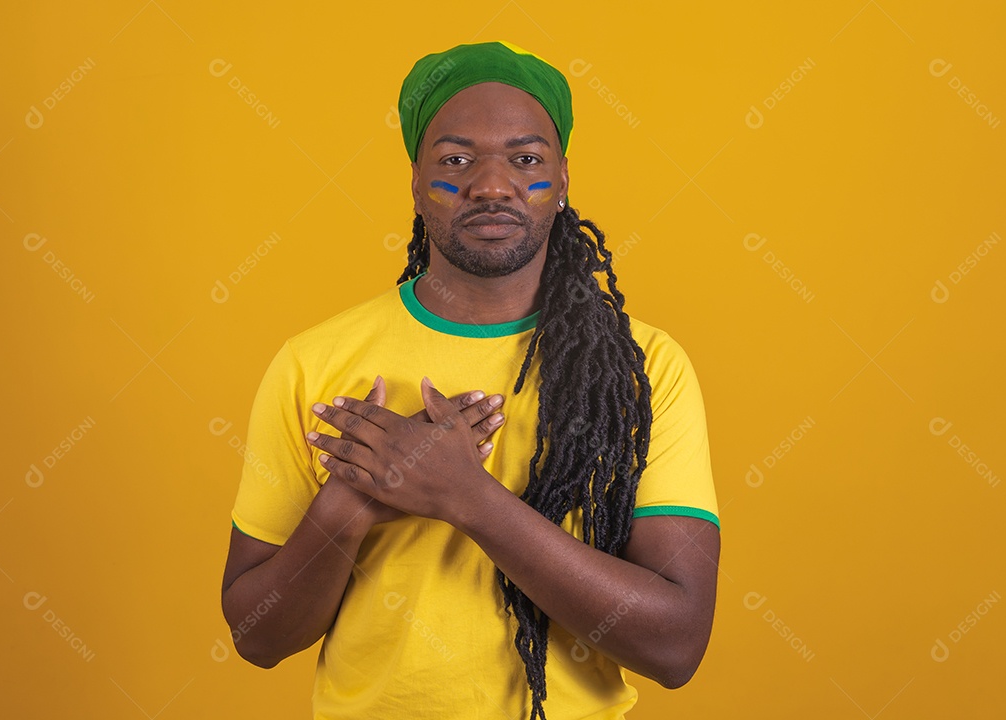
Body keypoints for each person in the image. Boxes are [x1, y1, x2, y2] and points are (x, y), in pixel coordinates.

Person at [221, 40, 720, 720]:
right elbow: (258, 637)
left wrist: (467, 497)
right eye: (456, 160)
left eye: (526, 159)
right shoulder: (313, 362)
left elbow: (676, 644)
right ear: (418, 183)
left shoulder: (643, 368)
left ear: (563, 178)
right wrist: (348, 506)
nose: (491, 184)